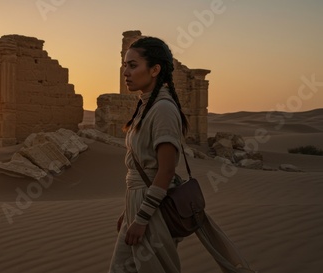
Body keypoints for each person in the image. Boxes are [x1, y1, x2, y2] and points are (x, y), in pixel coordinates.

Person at [108, 37, 255, 273]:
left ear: (155, 69)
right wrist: (129, 213)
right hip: (138, 204)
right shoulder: (146, 106)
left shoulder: (163, 109)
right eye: (125, 65)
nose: (126, 72)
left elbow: (165, 171)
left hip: (152, 208)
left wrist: (142, 217)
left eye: (133, 65)